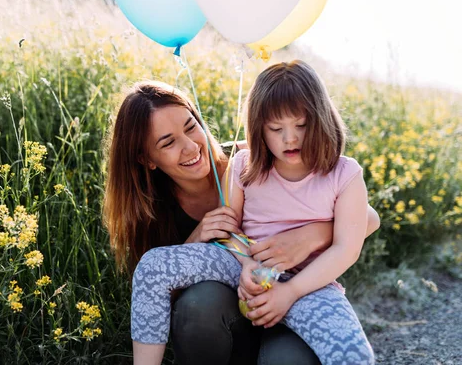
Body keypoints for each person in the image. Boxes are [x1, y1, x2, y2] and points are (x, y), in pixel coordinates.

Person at [103, 79, 380, 365]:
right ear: (146, 159)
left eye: (190, 127)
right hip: (228, 302)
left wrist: (311, 235)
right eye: (168, 142)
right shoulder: (150, 206)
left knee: (306, 358)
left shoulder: (260, 154)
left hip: (298, 285)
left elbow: (367, 219)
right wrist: (202, 238)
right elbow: (161, 294)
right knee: (188, 296)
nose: (189, 147)